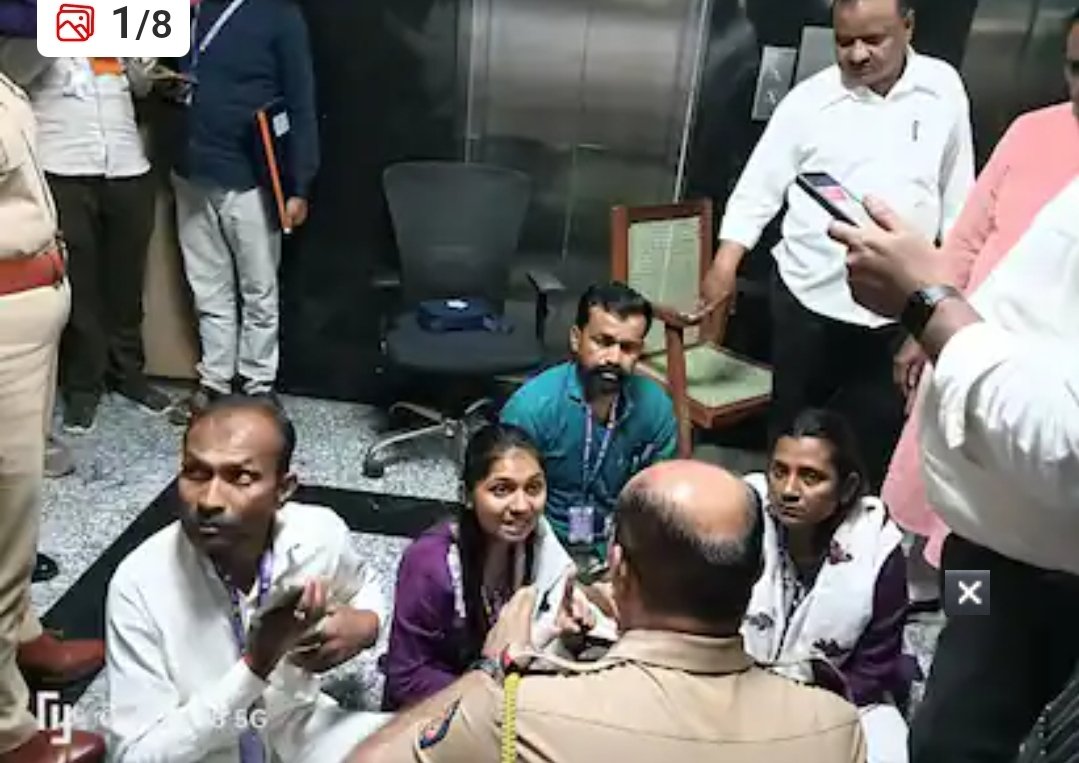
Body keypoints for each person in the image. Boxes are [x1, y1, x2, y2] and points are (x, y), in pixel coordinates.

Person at [350, 460, 867, 762]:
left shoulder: (516, 714)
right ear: (757, 573)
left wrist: (488, 670)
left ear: (617, 569)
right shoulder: (835, 726)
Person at [828, 179, 1079, 761]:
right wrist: (938, 310)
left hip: (1048, 574)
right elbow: (972, 242)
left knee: (967, 739)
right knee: (950, 700)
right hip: (980, 548)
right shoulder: (1035, 140)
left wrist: (931, 307)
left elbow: (1064, 443)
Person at [700, 0, 974, 490]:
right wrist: (724, 264)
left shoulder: (942, 89)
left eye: (874, 39)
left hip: (897, 309)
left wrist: (937, 306)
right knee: (793, 434)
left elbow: (959, 204)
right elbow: (759, 187)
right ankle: (782, 524)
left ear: (908, 26)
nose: (858, 54)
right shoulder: (810, 101)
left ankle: (854, 530)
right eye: (845, 41)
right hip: (808, 298)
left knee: (871, 443)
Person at [882, 8, 1079, 575]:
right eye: (1076, 68)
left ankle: (954, 604)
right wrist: (926, 322)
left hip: (1034, 411)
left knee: (986, 557)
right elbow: (968, 238)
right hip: (960, 348)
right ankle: (920, 596)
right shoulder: (1033, 131)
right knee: (943, 516)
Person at [105, 396, 389, 762]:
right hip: (204, 753)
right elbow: (134, 756)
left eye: (240, 477)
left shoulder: (318, 532)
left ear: (283, 489)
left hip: (295, 726)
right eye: (196, 473)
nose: (209, 500)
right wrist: (256, 666)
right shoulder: (139, 583)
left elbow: (364, 585)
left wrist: (367, 624)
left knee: (430, 742)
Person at [0, 68, 105, 762]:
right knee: (1, 510)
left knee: (19, 505)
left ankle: (20, 634)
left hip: (27, 323)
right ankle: (8, 729)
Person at [167, 0, 319, 423]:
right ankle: (215, 380)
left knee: (259, 289)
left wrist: (299, 184)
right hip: (191, 172)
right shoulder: (185, 11)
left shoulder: (280, 14)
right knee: (207, 286)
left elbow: (301, 102)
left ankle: (258, 385)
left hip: (252, 177)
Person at [381, 423, 604, 711]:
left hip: (501, 693)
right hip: (435, 709)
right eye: (502, 490)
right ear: (466, 495)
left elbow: (550, 609)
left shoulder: (537, 537)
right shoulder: (431, 565)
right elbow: (406, 680)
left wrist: (560, 628)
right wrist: (496, 689)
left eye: (533, 488)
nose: (522, 506)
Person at [742, 408, 912, 763]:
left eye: (810, 477)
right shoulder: (741, 515)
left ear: (846, 488)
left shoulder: (876, 548)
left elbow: (875, 667)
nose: (788, 490)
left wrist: (803, 716)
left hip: (838, 696)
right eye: (779, 472)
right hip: (741, 683)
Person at [21, 56, 170, 433]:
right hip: (62, 166)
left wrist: (138, 59)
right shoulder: (34, 30)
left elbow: (141, 87)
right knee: (80, 286)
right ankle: (83, 386)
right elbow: (16, 75)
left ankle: (128, 374)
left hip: (126, 165)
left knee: (127, 282)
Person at [500, 282, 677, 569]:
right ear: (576, 339)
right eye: (603, 342)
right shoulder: (531, 409)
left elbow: (658, 498)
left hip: (619, 540)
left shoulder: (656, 409)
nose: (613, 358)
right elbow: (507, 507)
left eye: (627, 348)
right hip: (540, 537)